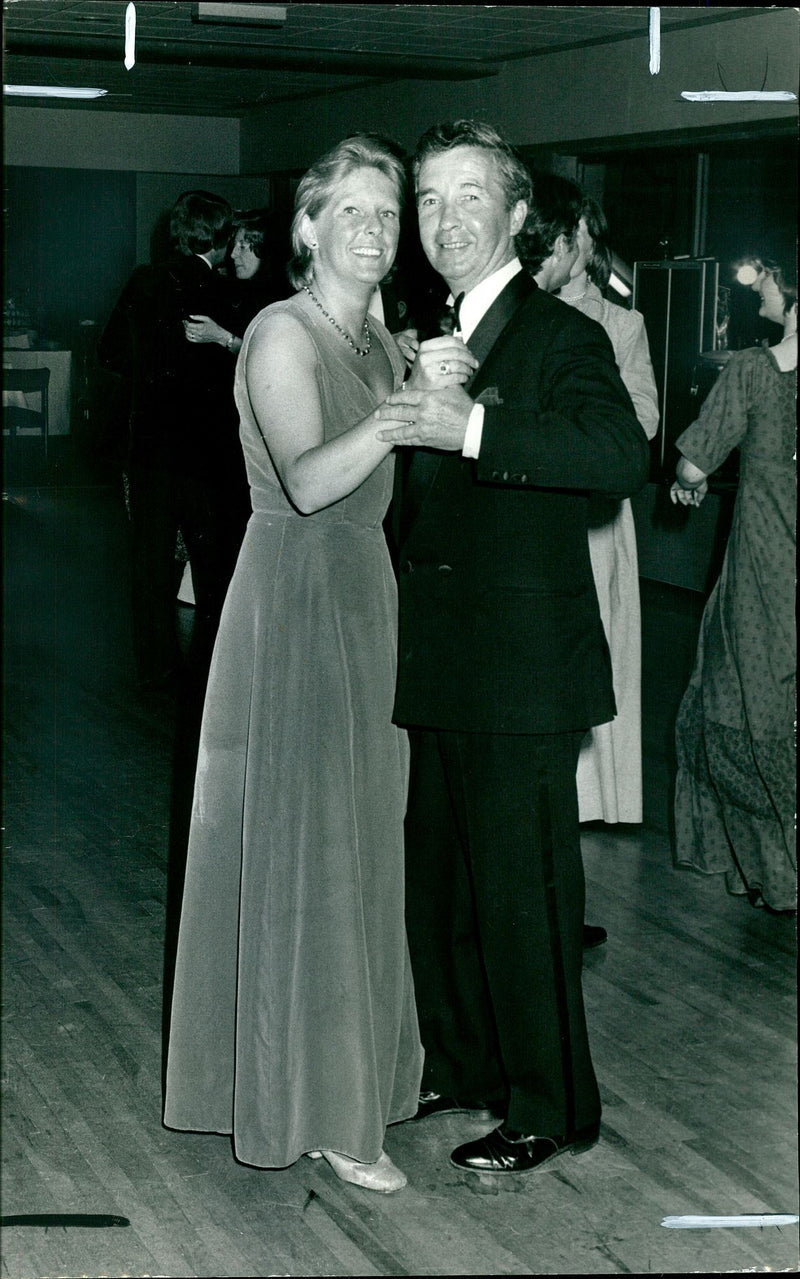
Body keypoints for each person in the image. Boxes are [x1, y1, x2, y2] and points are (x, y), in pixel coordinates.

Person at [374, 120, 649, 1177]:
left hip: (524, 674)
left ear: (516, 214)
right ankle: (468, 1066)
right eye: (428, 200)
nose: (444, 220)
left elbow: (618, 454)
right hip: (441, 662)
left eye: (466, 197)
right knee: (440, 887)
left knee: (524, 896)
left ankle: (551, 1104)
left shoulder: (559, 333)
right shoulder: (429, 327)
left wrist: (471, 428)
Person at [164, 135, 426, 1194]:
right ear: (307, 228)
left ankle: (342, 1083)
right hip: (297, 599)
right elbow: (311, 480)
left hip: (363, 597)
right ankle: (317, 1107)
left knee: (357, 846)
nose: (372, 229)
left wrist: (421, 381)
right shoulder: (280, 331)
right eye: (351, 210)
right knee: (308, 853)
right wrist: (406, 410)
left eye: (387, 214)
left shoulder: (375, 339)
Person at [670, 258, 796, 914]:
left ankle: (780, 878)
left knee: (744, 712)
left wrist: (686, 482)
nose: (761, 291)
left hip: (764, 577)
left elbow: (694, 460)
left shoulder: (753, 371)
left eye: (769, 278)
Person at [97, 190, 248, 690]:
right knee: (212, 564)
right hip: (207, 454)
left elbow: (111, 352)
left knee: (149, 560)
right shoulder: (226, 294)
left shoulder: (143, 280)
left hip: (150, 448)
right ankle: (211, 668)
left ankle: (154, 668)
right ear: (223, 240)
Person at [557, 193, 660, 825]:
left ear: (589, 243)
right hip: (540, 502)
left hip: (594, 509)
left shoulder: (623, 324)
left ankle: (592, 799)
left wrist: (583, 430)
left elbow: (645, 416)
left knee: (597, 641)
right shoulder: (520, 313)